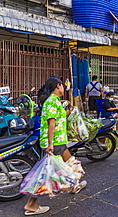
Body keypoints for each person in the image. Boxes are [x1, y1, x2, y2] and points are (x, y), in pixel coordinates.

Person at [24, 77, 86, 216]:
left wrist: (70, 112)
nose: (64, 88)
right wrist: (50, 144)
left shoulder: (55, 102)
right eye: (62, 86)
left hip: (59, 141)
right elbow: (51, 123)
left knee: (70, 162)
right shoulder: (52, 101)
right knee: (46, 175)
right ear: (58, 86)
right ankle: (31, 204)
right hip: (54, 143)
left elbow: (58, 117)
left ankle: (75, 185)